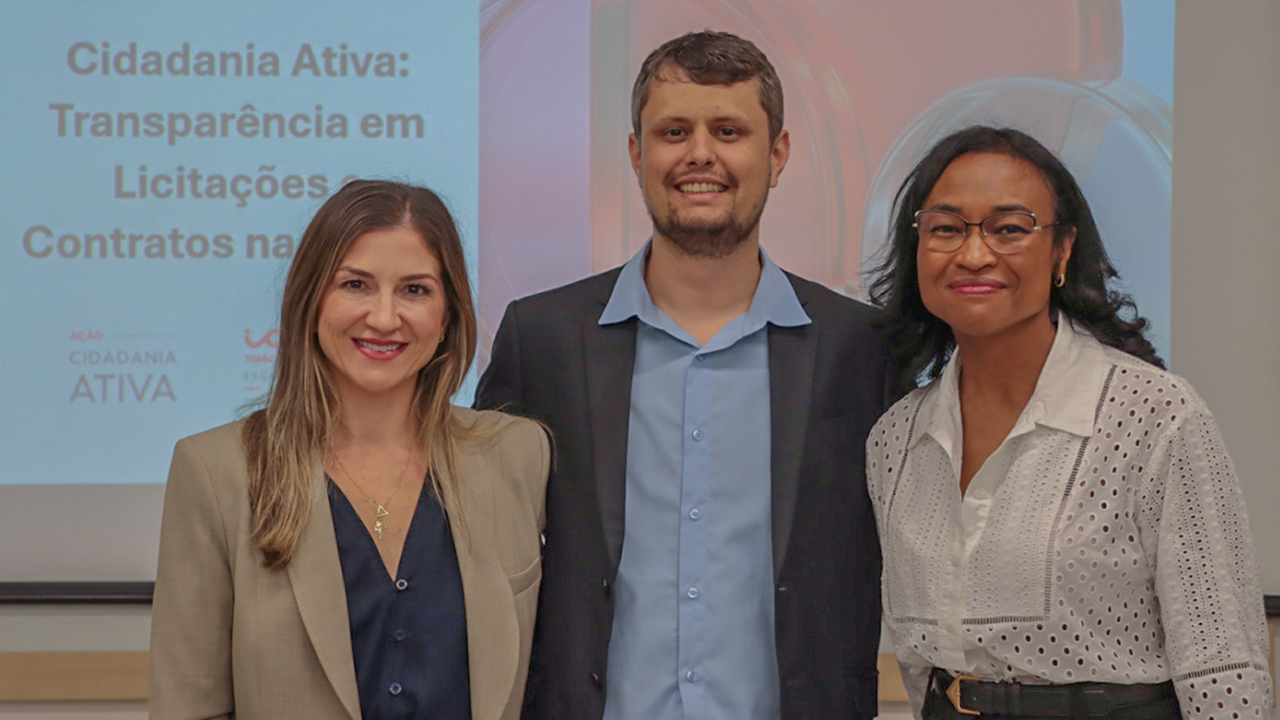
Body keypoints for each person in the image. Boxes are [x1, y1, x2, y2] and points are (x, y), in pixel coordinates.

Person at [475, 30, 896, 720]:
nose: (700, 154)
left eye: (729, 131)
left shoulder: (862, 348)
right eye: (674, 132)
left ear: (778, 154)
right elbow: (486, 555)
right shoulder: (541, 339)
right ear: (637, 154)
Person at [865, 126, 1272, 720]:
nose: (973, 254)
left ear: (1061, 251)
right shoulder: (894, 439)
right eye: (946, 229)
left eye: (1009, 229)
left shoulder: (1155, 415)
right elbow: (919, 662)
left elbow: (1223, 667)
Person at [149, 180, 550, 720]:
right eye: (355, 285)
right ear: (311, 301)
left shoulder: (518, 456)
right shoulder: (218, 472)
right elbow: (189, 707)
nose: (384, 318)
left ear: (447, 317)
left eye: (415, 290)